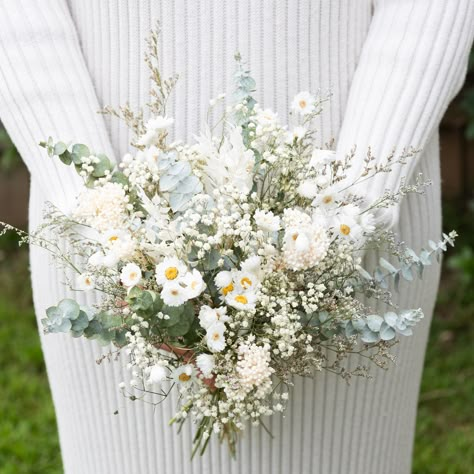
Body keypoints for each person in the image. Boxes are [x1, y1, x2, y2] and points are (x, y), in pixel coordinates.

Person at [0, 1, 473, 473]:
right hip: (107, 234)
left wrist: (354, 207)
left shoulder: (354, 214)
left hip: (354, 208)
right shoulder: (102, 230)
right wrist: (96, 213)